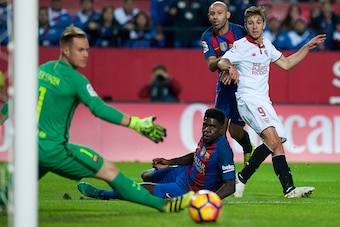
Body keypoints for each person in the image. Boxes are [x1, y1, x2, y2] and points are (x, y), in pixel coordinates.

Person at [0, 25, 194, 212]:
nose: (85, 54)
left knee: (7, 196)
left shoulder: (41, 70)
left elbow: (12, 105)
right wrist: (135, 123)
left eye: (87, 49)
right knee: (110, 171)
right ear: (65, 50)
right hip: (53, 150)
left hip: (29, 147)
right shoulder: (76, 80)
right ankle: (164, 206)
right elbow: (99, 109)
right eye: (80, 50)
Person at [217, 6, 326, 198]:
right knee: (273, 140)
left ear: (263, 24)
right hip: (248, 99)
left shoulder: (267, 44)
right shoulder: (240, 45)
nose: (254, 26)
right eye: (250, 23)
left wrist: (307, 46)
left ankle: (289, 189)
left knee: (277, 144)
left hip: (264, 101)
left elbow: (287, 64)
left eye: (258, 22)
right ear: (246, 25)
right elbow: (222, 62)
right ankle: (241, 178)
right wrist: (230, 68)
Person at [77, 108, 236, 200]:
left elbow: (230, 186)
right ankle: (162, 187)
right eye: (205, 125)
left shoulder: (223, 150)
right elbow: (195, 156)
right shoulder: (207, 137)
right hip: (186, 174)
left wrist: (210, 200)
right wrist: (169, 162)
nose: (207, 130)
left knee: (143, 188)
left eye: (212, 127)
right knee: (146, 174)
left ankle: (103, 194)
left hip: (189, 189)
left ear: (222, 129)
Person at [201, 1, 254, 167]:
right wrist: (226, 64)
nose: (215, 17)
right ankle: (225, 167)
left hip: (242, 87)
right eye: (212, 14)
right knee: (220, 130)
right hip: (224, 88)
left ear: (228, 15)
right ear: (209, 16)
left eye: (219, 13)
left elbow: (251, 55)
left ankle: (247, 147)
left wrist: (232, 65)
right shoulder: (207, 37)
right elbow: (211, 65)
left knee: (235, 131)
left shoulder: (241, 32)